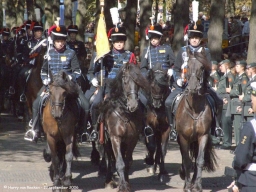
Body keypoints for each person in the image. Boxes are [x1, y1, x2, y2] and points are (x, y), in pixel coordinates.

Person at [24, 23, 90, 142]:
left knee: (85, 104)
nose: (60, 43)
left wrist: (70, 78)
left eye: (62, 41)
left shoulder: (71, 53)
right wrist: (45, 79)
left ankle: (83, 130)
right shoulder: (48, 54)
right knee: (36, 103)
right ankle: (35, 129)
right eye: (58, 41)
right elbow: (44, 71)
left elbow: (77, 71)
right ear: (54, 41)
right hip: (52, 85)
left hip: (68, 85)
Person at [165, 22, 223, 140]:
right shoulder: (183, 51)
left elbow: (208, 68)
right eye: (192, 38)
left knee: (219, 101)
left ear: (200, 39)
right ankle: (173, 128)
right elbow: (176, 68)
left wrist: (205, 80)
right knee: (168, 102)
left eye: (197, 38)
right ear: (189, 38)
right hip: (184, 85)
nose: (194, 40)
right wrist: (178, 79)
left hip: (201, 85)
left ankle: (216, 126)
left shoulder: (205, 51)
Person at [85, 26, 137, 142]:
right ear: (112, 43)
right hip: (107, 87)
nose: (119, 44)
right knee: (95, 103)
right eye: (117, 42)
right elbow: (93, 71)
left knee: (139, 103)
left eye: (121, 42)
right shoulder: (105, 55)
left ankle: (140, 129)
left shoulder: (130, 55)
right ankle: (94, 129)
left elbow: (134, 72)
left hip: (124, 87)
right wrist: (94, 78)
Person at [140, 24, 175, 141]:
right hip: (152, 82)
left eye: (155, 38)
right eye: (152, 38)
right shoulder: (147, 51)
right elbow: (143, 68)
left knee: (174, 101)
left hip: (165, 81)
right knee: (142, 100)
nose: (153, 40)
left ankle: (173, 125)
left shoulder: (167, 48)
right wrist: (147, 76)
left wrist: (171, 71)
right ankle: (144, 125)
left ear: (160, 38)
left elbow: (174, 64)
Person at [231, 81, 256, 192]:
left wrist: (237, 178)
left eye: (252, 99)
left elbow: (241, 158)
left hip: (251, 179)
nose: (251, 103)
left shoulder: (251, 127)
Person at [18, 21, 46, 102]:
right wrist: (30, 61)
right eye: (37, 31)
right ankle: (22, 93)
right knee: (21, 74)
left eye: (40, 31)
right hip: (31, 65)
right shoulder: (29, 43)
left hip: (43, 65)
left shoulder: (46, 43)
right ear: (34, 32)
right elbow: (24, 55)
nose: (39, 32)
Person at [228, 60, 249, 147]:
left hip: (238, 103)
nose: (236, 67)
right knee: (236, 126)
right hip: (234, 104)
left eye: (238, 66)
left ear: (242, 67)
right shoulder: (238, 77)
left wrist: (231, 91)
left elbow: (241, 91)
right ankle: (237, 145)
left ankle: (239, 146)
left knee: (238, 126)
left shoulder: (243, 78)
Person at [216, 59, 235, 149]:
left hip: (226, 101)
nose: (220, 67)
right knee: (223, 121)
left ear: (227, 66)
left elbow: (229, 90)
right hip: (221, 100)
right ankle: (225, 141)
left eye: (221, 66)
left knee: (226, 122)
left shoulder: (229, 76)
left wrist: (226, 98)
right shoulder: (224, 76)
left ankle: (227, 143)